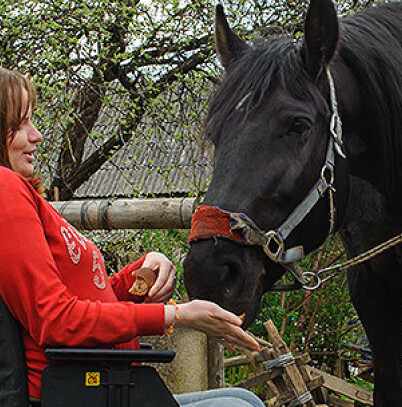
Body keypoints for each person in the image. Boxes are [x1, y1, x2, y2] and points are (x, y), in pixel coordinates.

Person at [0, 66, 265, 407]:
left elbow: (84, 296)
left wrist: (136, 276)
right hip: (79, 392)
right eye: (21, 123)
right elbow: (56, 319)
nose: (36, 135)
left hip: (107, 385)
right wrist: (177, 315)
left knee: (241, 397)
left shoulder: (29, 198)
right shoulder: (6, 190)